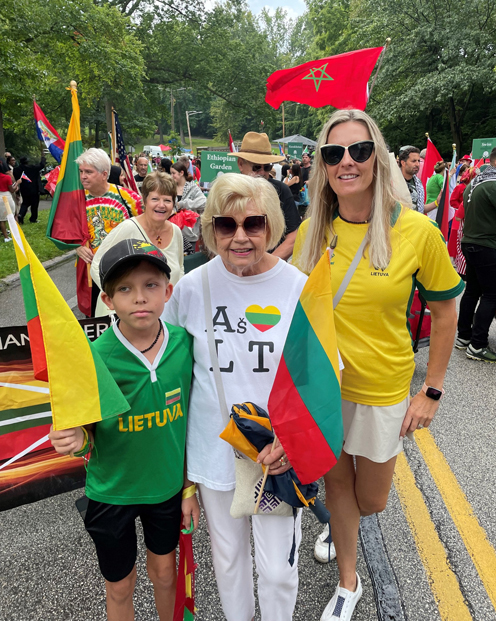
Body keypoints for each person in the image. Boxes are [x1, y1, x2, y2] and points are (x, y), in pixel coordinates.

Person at [292, 109, 464, 621]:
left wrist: (430, 389)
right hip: (323, 388)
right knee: (336, 485)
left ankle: (342, 522)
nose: (347, 162)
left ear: (377, 159)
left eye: (359, 150)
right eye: (333, 153)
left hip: (382, 390)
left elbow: (445, 311)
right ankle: (349, 580)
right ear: (322, 165)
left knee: (373, 497)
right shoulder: (311, 232)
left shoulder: (414, 232)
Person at [163, 173, 331, 621]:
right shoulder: (191, 288)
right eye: (225, 225)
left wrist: (295, 444)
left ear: (272, 226)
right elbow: (166, 367)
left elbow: (321, 375)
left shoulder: (297, 288)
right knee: (229, 561)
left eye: (253, 224)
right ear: (210, 229)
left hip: (276, 454)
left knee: (277, 571)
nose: (239, 237)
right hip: (213, 449)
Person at [49, 240, 196, 621]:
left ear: (168, 290)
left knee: (165, 575)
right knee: (119, 586)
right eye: (125, 289)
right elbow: (84, 432)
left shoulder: (185, 345)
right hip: (112, 491)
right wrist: (76, 439)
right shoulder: (95, 358)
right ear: (109, 300)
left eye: (150, 285)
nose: (140, 298)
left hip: (165, 488)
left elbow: (196, 420)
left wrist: (189, 488)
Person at [91, 171, 184, 317]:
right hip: (122, 315)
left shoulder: (176, 231)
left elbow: (180, 270)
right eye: (155, 199)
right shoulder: (128, 228)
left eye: (167, 200)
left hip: (162, 314)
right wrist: (118, 299)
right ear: (145, 200)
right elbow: (97, 264)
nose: (161, 205)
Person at [75, 148, 143, 316]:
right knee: (94, 319)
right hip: (91, 273)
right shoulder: (76, 200)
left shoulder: (127, 197)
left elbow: (146, 227)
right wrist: (77, 246)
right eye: (81, 171)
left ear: (104, 174)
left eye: (89, 172)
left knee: (124, 315)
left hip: (124, 270)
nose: (83, 176)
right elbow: (68, 231)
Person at [456, 146, 496, 362]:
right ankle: (478, 345)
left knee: (472, 290)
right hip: (489, 246)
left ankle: (463, 336)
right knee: (492, 294)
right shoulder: (495, 184)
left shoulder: (474, 182)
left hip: (470, 242)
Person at [229, 132, 301, 260]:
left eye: (267, 167)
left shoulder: (281, 191)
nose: (262, 173)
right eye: (256, 167)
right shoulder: (228, 192)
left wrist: (267, 265)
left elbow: (294, 236)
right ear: (240, 164)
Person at [398, 146, 437, 214]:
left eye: (418, 161)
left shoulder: (418, 183)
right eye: (414, 161)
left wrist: (437, 203)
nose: (417, 164)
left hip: (414, 223)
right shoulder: (393, 182)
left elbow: (420, 209)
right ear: (403, 163)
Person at [14, 155, 46, 224]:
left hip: (24, 189)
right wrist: (43, 159)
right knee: (34, 204)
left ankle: (20, 215)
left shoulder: (16, 169)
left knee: (25, 203)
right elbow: (41, 165)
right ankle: (33, 218)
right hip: (34, 189)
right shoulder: (32, 168)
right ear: (27, 161)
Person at [0, 159, 17, 241]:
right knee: (10, 215)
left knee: (1, 218)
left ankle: (5, 235)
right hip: (6, 196)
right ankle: (11, 234)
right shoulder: (7, 177)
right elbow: (12, 190)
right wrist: (17, 183)